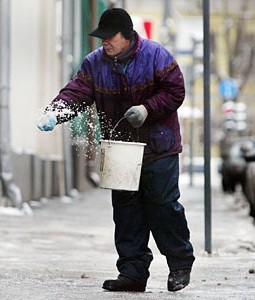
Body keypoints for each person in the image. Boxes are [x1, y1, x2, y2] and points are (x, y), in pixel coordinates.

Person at [37, 8, 195, 293]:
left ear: (127, 35)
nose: (104, 43)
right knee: (126, 212)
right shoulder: (94, 64)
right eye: (102, 38)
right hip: (120, 149)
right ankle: (132, 273)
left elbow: (175, 91)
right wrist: (55, 112)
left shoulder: (156, 56)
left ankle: (180, 265)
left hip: (159, 146)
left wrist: (147, 109)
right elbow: (76, 93)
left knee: (163, 206)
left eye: (110, 37)